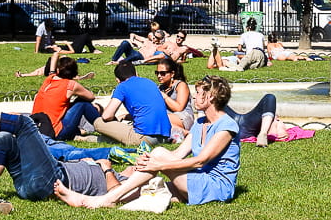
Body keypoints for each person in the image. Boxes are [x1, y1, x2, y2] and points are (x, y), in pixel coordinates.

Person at [55, 75, 241, 208]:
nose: (193, 96)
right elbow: (177, 154)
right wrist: (151, 159)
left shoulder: (226, 126)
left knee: (159, 155)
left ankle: (103, 200)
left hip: (215, 186)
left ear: (211, 97)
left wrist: (159, 162)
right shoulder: (200, 123)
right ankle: (94, 199)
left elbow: (200, 160)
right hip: (196, 179)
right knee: (148, 190)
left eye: (198, 93)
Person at [0, 80, 117, 207]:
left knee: (25, 123)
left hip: (52, 181)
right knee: (4, 139)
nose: (140, 163)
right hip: (27, 184)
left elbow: (116, 194)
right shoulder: (132, 171)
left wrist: (107, 169)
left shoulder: (128, 179)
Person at [91, 61, 173, 147]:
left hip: (144, 137)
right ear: (136, 73)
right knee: (120, 136)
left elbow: (106, 116)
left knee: (98, 122)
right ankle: (88, 139)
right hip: (164, 136)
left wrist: (114, 121)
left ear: (118, 80)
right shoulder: (150, 82)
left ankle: (86, 136)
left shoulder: (122, 86)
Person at [29, 55, 98, 140]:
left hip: (38, 129)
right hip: (56, 132)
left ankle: (77, 132)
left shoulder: (49, 79)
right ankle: (102, 126)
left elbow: (54, 56)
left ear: (58, 70)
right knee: (83, 104)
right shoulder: (70, 85)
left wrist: (58, 52)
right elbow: (91, 97)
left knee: (67, 104)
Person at [155, 57, 193, 137]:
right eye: (157, 73)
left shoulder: (180, 85)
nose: (159, 76)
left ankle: (186, 133)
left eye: (163, 73)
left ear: (172, 74)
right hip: (168, 117)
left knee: (158, 118)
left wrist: (164, 96)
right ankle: (178, 133)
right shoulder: (160, 87)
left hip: (183, 117)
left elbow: (179, 108)